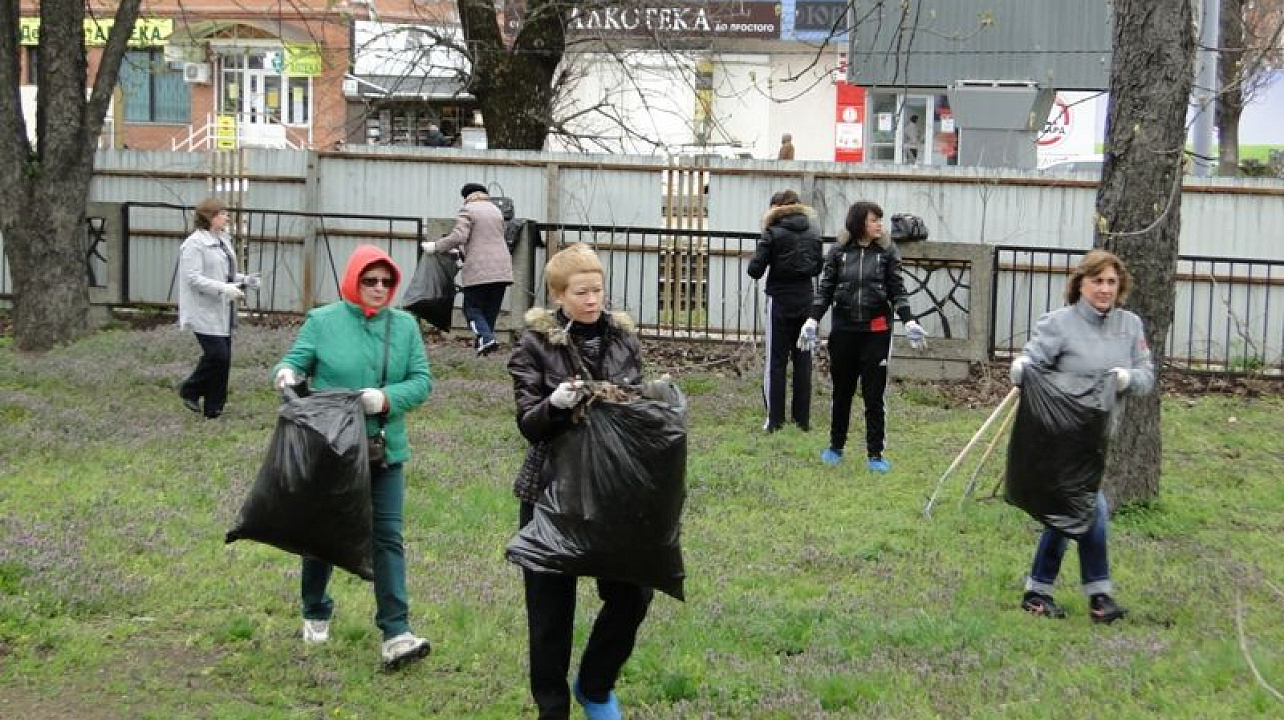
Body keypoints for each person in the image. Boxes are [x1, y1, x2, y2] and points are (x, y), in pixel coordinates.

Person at [507, 244, 653, 720]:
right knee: (550, 611)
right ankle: (552, 710)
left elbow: (635, 400)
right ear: (558, 294)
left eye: (598, 289)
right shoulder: (534, 343)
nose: (593, 300)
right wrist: (556, 403)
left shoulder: (622, 337)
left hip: (612, 488)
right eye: (581, 291)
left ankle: (593, 684)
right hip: (552, 492)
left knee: (633, 592)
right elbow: (529, 423)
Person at [271, 244, 434, 669]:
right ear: (353, 281)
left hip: (384, 450)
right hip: (331, 449)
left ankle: (397, 632)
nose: (379, 288)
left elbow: (421, 382)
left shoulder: (405, 327)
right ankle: (315, 609)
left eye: (386, 281)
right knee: (323, 537)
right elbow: (292, 361)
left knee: (387, 538)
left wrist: (384, 399)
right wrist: (286, 374)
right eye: (370, 280)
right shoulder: (322, 322)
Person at [1008, 249, 1154, 624]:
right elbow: (1032, 362)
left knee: (1069, 510)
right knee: (1090, 507)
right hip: (1056, 438)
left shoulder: (1130, 326)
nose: (1104, 289)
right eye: (1096, 281)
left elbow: (1146, 377)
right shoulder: (1058, 324)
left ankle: (1037, 591)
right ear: (1080, 284)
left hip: (1098, 439)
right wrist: (1022, 368)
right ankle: (1099, 597)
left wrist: (1125, 378)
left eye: (1111, 281)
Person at [801, 201, 926, 473]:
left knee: (874, 395)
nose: (879, 225)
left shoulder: (887, 252)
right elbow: (826, 290)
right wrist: (812, 318)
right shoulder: (838, 251)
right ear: (859, 223)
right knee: (842, 392)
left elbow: (898, 291)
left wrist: (909, 321)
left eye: (880, 220)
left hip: (876, 333)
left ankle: (875, 454)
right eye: (874, 220)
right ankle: (835, 446)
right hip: (844, 331)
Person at [747, 189, 823, 433]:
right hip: (806, 300)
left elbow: (755, 270)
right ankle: (802, 421)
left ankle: (775, 420)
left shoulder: (772, 233)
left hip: (779, 300)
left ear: (776, 208)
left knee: (776, 362)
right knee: (803, 361)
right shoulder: (813, 233)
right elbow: (817, 267)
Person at [177, 198, 258, 419]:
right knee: (217, 356)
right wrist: (224, 289)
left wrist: (245, 280)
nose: (227, 217)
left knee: (224, 360)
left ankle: (214, 408)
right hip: (202, 310)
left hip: (221, 310)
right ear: (209, 217)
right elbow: (193, 278)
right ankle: (189, 389)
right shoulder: (194, 244)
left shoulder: (223, 240)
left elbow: (225, 272)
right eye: (222, 213)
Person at [421, 182, 514, 356]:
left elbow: (459, 236)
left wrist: (436, 246)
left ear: (466, 197)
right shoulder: (496, 211)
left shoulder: (468, 210)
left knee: (471, 308)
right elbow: (485, 240)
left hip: (479, 270)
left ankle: (486, 339)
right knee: (490, 311)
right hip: (502, 270)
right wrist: (460, 252)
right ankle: (485, 345)